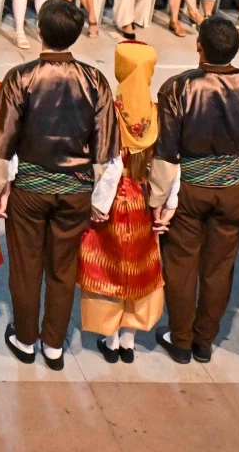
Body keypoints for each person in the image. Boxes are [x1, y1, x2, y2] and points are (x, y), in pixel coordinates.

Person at [0, 0, 120, 370]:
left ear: (39, 30)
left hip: (30, 189)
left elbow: (1, 142)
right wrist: (97, 195)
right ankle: (54, 345)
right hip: (75, 190)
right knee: (63, 268)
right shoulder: (96, 80)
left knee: (26, 267)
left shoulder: (21, 77)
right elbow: (106, 148)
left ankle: (25, 339)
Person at [147, 16, 239, 364]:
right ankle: (205, 341)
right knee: (220, 268)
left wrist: (159, 199)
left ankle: (181, 339)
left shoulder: (177, 88)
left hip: (188, 190)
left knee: (181, 265)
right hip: (234, 189)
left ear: (199, 46)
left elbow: (166, 151)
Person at [78, 39, 165, 364]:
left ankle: (110, 338)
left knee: (107, 266)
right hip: (143, 198)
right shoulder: (157, 113)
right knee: (140, 267)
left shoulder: (108, 111)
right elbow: (168, 163)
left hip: (111, 199)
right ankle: (129, 339)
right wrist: (165, 203)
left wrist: (98, 204)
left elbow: (107, 163)